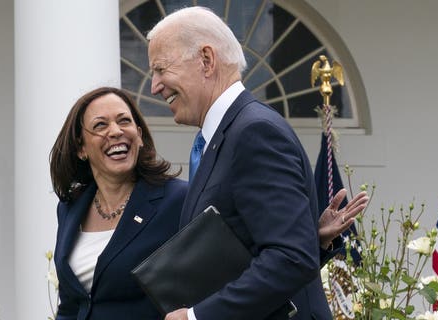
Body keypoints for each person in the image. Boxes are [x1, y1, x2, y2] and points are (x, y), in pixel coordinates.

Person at [147, 6, 368, 320]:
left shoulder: (253, 132)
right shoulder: (225, 136)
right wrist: (311, 240)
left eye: (161, 69)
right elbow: (270, 248)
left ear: (206, 60)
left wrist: (197, 316)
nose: (154, 85)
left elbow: (290, 258)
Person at [49, 87, 187, 320]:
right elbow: (71, 305)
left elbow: (213, 280)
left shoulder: (178, 199)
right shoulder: (69, 209)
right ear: (81, 148)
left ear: (139, 135)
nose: (115, 131)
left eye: (124, 121)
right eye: (100, 125)